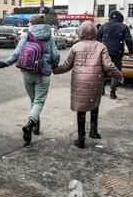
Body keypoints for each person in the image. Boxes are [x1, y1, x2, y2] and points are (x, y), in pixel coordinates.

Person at [53, 21, 124, 149]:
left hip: (79, 81)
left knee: (81, 108)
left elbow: (67, 66)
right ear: (95, 33)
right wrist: (119, 75)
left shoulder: (76, 47)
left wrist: (54, 70)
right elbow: (108, 65)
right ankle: (94, 131)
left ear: (81, 32)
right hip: (95, 80)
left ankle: (81, 138)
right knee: (94, 103)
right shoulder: (101, 46)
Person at [4, 15, 60, 146]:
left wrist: (6, 63)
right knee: (39, 101)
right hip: (43, 73)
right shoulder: (49, 37)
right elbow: (56, 55)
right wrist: (53, 65)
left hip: (27, 72)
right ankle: (30, 124)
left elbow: (17, 54)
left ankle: (35, 126)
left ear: (33, 24)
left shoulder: (27, 35)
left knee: (33, 100)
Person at [97, 11, 133, 100]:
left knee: (103, 70)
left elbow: (98, 38)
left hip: (104, 52)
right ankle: (112, 92)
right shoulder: (124, 27)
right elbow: (128, 41)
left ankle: (101, 90)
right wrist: (131, 51)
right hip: (117, 52)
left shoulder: (104, 26)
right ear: (120, 18)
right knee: (116, 71)